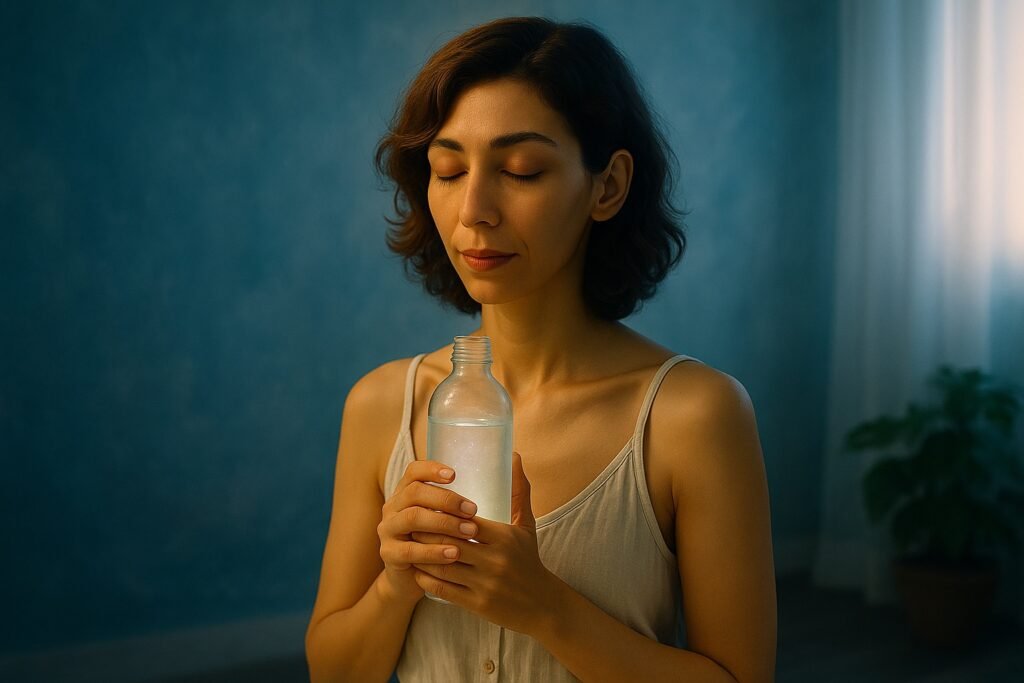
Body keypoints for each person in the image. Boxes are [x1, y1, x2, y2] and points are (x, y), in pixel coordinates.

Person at [306, 16, 776, 683]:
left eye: (520, 170)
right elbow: (331, 670)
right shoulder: (384, 403)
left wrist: (547, 607)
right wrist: (396, 586)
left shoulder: (694, 416)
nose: (474, 209)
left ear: (607, 186)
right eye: (447, 169)